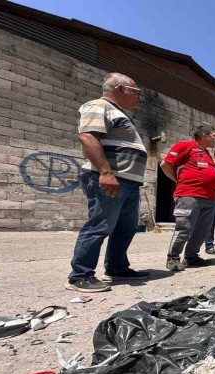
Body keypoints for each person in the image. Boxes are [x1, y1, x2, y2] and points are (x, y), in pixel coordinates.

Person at [66, 73, 150, 293]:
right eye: (136, 92)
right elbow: (88, 137)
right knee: (99, 226)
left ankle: (117, 267)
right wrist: (105, 172)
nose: (139, 97)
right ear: (121, 89)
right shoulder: (99, 106)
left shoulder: (119, 113)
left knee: (126, 227)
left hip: (129, 182)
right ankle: (80, 276)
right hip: (110, 178)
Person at [160, 125, 215, 271]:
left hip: (209, 198)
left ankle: (191, 257)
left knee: (202, 230)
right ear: (204, 136)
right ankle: (173, 258)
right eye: (214, 135)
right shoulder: (186, 145)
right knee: (184, 228)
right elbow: (165, 164)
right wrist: (179, 181)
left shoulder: (206, 153)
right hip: (189, 195)